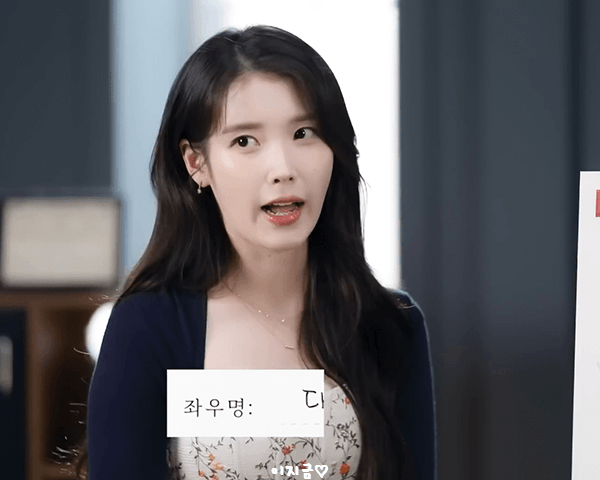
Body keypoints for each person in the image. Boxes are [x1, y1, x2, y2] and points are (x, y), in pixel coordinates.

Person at [80, 25, 436, 480]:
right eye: (245, 141)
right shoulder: (147, 328)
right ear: (196, 163)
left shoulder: (389, 326)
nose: (283, 169)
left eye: (304, 132)